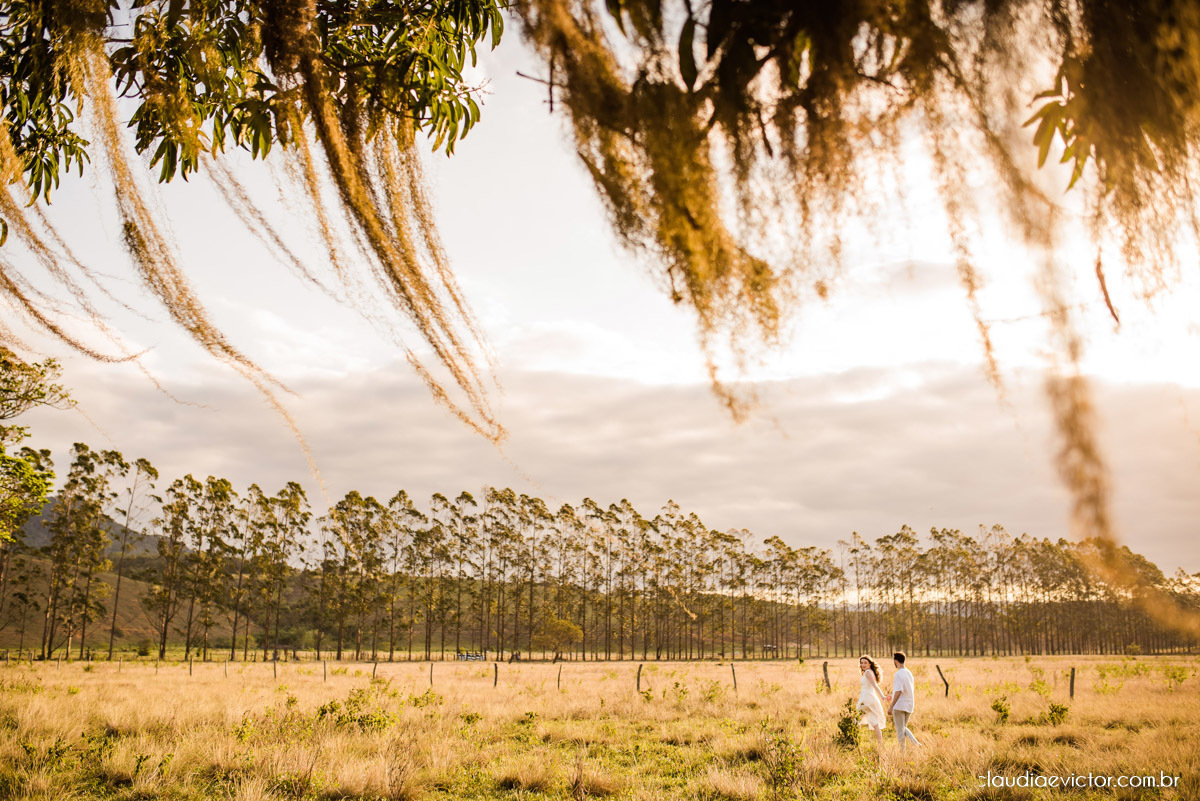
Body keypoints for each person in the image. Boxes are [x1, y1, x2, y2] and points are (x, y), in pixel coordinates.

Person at [887, 651, 922, 750]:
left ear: (895, 661)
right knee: (903, 727)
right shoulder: (909, 673)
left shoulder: (898, 674)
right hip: (909, 704)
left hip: (899, 705)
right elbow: (905, 689)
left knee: (900, 731)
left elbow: (899, 691)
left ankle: (903, 752)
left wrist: (891, 706)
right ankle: (915, 743)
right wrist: (892, 695)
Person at [857, 655, 889, 747]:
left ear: (869, 664)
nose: (863, 665)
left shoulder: (868, 672)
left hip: (866, 698)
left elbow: (875, 685)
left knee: (856, 719)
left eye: (865, 663)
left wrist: (882, 696)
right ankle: (880, 744)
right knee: (874, 722)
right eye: (862, 663)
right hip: (869, 697)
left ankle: (855, 741)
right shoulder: (869, 672)